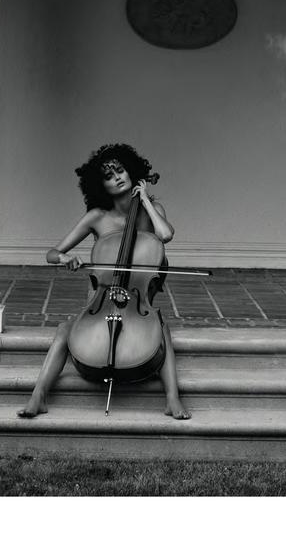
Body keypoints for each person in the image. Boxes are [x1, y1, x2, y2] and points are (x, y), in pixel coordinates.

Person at [18, 143, 191, 419]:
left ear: (132, 172)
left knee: (162, 329)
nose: (117, 178)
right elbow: (52, 253)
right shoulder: (97, 217)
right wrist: (64, 258)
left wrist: (145, 200)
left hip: (137, 303)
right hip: (101, 299)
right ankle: (38, 396)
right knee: (64, 330)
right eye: (109, 177)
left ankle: (172, 399)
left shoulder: (153, 210)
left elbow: (165, 235)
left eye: (121, 171)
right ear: (101, 187)